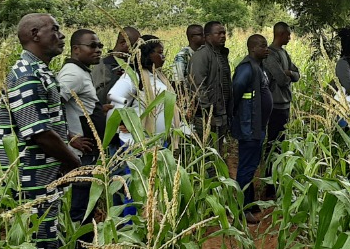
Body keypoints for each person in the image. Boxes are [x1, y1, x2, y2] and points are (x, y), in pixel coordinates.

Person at [0, 13, 87, 249]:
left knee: (47, 246)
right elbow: (36, 131)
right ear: (35, 34)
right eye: (55, 30)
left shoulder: (41, 72)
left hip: (43, 178)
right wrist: (74, 163)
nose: (61, 36)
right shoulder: (26, 73)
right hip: (29, 181)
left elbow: (47, 125)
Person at [57, 29, 108, 249]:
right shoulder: (73, 74)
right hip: (79, 154)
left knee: (87, 203)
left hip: (87, 151)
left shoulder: (81, 72)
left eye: (100, 46)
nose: (98, 50)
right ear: (76, 49)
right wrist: (69, 136)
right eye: (92, 46)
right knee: (80, 206)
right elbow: (50, 106)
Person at [231, 34, 272, 225]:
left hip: (257, 126)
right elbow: (237, 88)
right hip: (249, 127)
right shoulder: (246, 68)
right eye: (263, 46)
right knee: (246, 168)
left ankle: (251, 203)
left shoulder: (259, 67)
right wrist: (236, 114)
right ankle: (242, 210)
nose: (267, 49)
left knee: (251, 166)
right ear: (252, 48)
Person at [107, 38, 179, 145]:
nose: (163, 56)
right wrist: (123, 120)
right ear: (148, 54)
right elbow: (113, 97)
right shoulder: (134, 76)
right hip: (136, 142)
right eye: (160, 53)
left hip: (158, 141)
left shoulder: (159, 76)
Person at [262, 21, 301, 171]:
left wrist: (290, 73)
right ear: (281, 34)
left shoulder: (284, 53)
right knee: (273, 142)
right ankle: (269, 176)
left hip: (284, 104)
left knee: (280, 141)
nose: (290, 38)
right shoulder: (270, 55)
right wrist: (287, 75)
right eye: (288, 34)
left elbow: (296, 74)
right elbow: (282, 80)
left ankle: (276, 175)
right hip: (275, 105)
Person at [188, 20, 231, 152]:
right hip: (209, 116)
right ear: (207, 36)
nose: (223, 36)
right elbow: (197, 86)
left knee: (218, 150)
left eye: (224, 33)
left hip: (222, 113)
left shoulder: (221, 54)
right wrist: (207, 112)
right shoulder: (201, 55)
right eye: (219, 33)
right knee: (209, 153)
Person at [93, 26, 140, 105]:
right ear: (123, 43)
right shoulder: (104, 65)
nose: (137, 50)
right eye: (135, 46)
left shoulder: (130, 64)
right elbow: (99, 97)